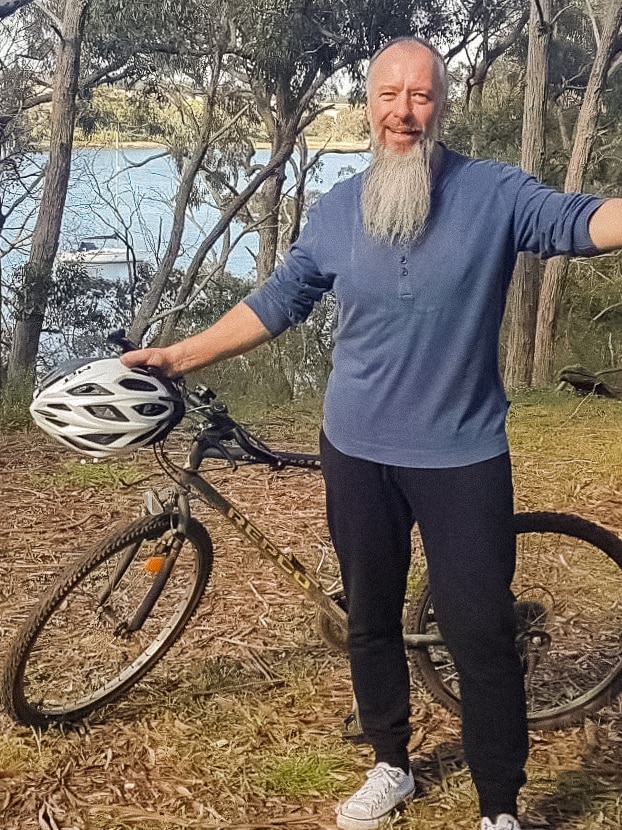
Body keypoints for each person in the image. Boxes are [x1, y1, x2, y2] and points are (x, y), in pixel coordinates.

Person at [121, 37, 622, 830]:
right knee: (371, 616)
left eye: (421, 96)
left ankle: (498, 807)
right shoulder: (337, 207)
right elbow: (281, 299)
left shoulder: (493, 193)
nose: (404, 111)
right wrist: (181, 353)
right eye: (390, 95)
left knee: (481, 631)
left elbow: (584, 221)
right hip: (354, 449)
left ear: (441, 106)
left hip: (462, 454)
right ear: (369, 104)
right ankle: (392, 764)